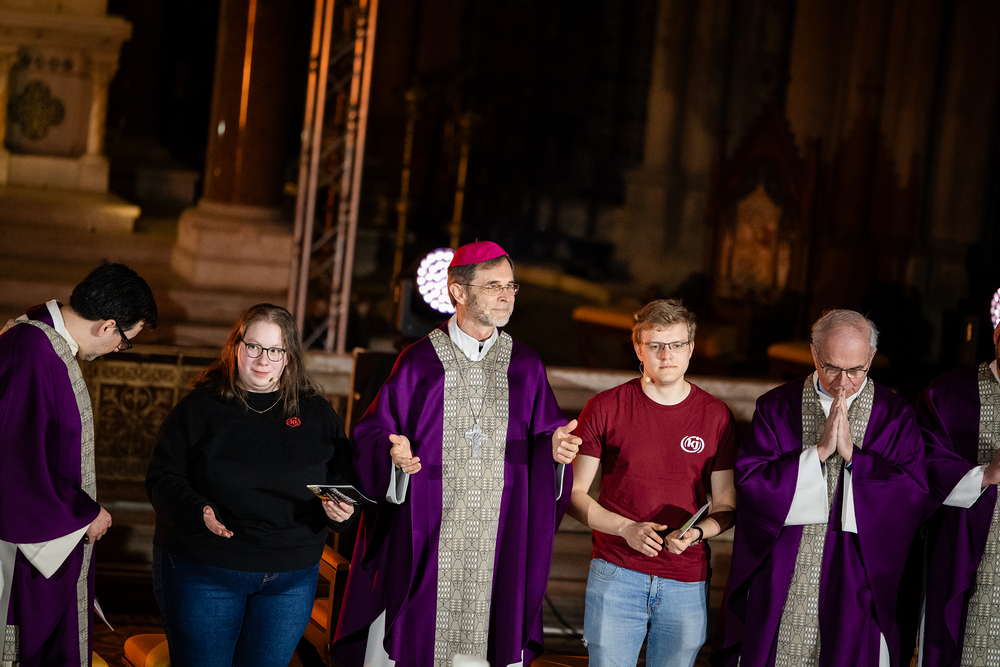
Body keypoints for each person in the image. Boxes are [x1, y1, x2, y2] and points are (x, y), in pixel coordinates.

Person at [331, 240, 578, 667]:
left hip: (499, 540)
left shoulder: (525, 365)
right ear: (458, 292)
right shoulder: (418, 363)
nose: (506, 295)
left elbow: (546, 436)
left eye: (511, 286)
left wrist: (552, 452)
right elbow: (373, 433)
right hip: (429, 538)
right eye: (493, 286)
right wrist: (393, 456)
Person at [713, 309, 927, 667]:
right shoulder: (777, 407)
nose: (843, 383)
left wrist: (855, 458)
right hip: (784, 565)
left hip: (856, 568)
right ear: (814, 354)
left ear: (871, 357)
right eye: (831, 368)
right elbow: (751, 482)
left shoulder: (896, 417)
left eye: (856, 370)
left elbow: (913, 493)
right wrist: (818, 454)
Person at [145, 303, 356, 667]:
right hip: (206, 567)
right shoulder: (200, 408)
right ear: (236, 347)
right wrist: (197, 510)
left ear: (289, 356)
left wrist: (342, 512)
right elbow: (162, 477)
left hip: (290, 577)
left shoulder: (317, 414)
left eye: (275, 350)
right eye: (254, 347)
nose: (263, 360)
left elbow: (341, 483)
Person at [0, 262, 158, 667]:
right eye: (125, 341)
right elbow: (13, 458)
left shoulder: (44, 341)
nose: (118, 349)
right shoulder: (32, 350)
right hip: (21, 540)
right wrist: (80, 514)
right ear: (108, 326)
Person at [569, 299, 737, 667]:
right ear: (638, 348)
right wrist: (625, 528)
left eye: (676, 344)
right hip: (616, 571)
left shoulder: (716, 416)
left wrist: (696, 534)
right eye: (656, 345)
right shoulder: (605, 407)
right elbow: (574, 495)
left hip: (685, 578)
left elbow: (726, 504)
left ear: (691, 348)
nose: (666, 354)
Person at [916, 320, 1000, 666]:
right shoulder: (948, 394)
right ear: (997, 335)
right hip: (968, 559)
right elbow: (922, 463)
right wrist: (985, 475)